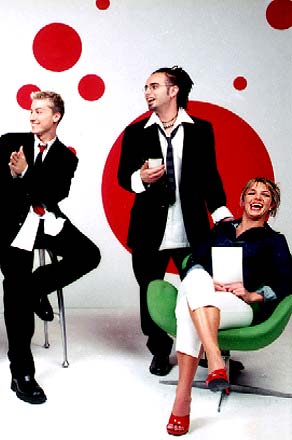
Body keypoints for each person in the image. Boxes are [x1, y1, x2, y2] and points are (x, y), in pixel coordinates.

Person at [0, 90, 101, 404]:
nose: (33, 116)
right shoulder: (11, 141)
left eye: (40, 111)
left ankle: (37, 287)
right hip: (12, 228)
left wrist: (26, 172)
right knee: (16, 288)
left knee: (89, 255)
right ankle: (21, 370)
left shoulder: (66, 156)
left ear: (56, 116)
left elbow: (54, 195)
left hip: (47, 222)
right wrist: (13, 172)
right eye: (31, 111)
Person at [117, 66, 233, 377]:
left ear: (174, 90)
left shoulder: (201, 130)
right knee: (150, 292)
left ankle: (208, 349)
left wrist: (221, 213)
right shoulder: (135, 133)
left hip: (190, 228)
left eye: (154, 86)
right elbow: (123, 177)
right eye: (145, 87)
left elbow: (210, 177)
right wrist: (140, 178)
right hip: (148, 229)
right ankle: (159, 350)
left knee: (202, 291)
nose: (147, 92)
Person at [166, 177, 292, 436]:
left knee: (188, 307)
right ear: (242, 200)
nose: (257, 198)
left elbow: (288, 280)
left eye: (265, 195)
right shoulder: (222, 229)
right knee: (197, 278)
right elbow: (194, 260)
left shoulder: (274, 240)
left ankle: (183, 398)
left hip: (236, 305)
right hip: (205, 294)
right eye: (252, 193)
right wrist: (208, 280)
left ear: (272, 205)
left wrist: (253, 294)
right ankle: (213, 363)